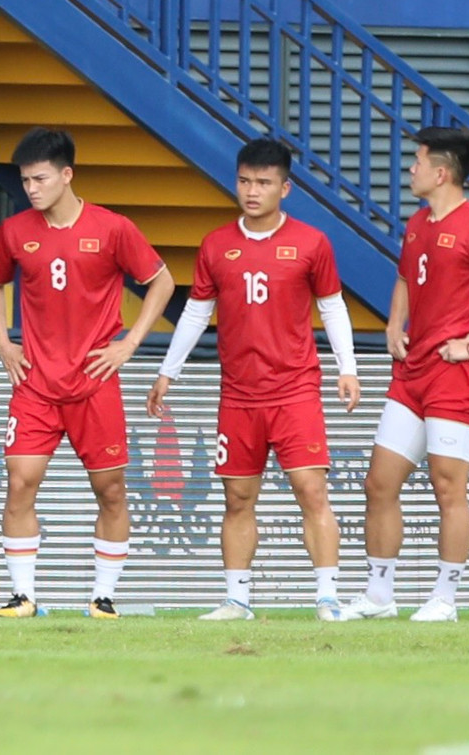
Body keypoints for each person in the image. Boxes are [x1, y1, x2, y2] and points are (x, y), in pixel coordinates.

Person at [147, 138, 361, 622]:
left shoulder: (311, 243)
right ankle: (237, 600)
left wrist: (347, 368)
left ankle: (327, 598)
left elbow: (332, 307)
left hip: (295, 391)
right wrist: (167, 373)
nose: (252, 190)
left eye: (264, 182)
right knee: (237, 498)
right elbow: (197, 314)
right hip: (239, 395)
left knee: (311, 489)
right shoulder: (216, 244)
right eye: (244, 180)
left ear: (284, 188)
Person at [0, 127, 174, 619]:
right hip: (36, 384)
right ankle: (23, 596)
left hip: (94, 383)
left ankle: (103, 597)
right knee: (20, 481)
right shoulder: (15, 231)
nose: (31, 188)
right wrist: (3, 340)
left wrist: (129, 343)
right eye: (25, 180)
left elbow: (162, 282)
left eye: (40, 178)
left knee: (110, 490)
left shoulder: (112, 229)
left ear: (67, 175)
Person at [341, 126, 469, 623]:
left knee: (448, 488)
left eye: (418, 161)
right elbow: (405, 276)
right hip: (411, 373)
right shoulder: (418, 223)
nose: (411, 168)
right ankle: (379, 595)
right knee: (379, 483)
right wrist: (394, 324)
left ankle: (444, 598)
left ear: (441, 172)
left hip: (454, 375)